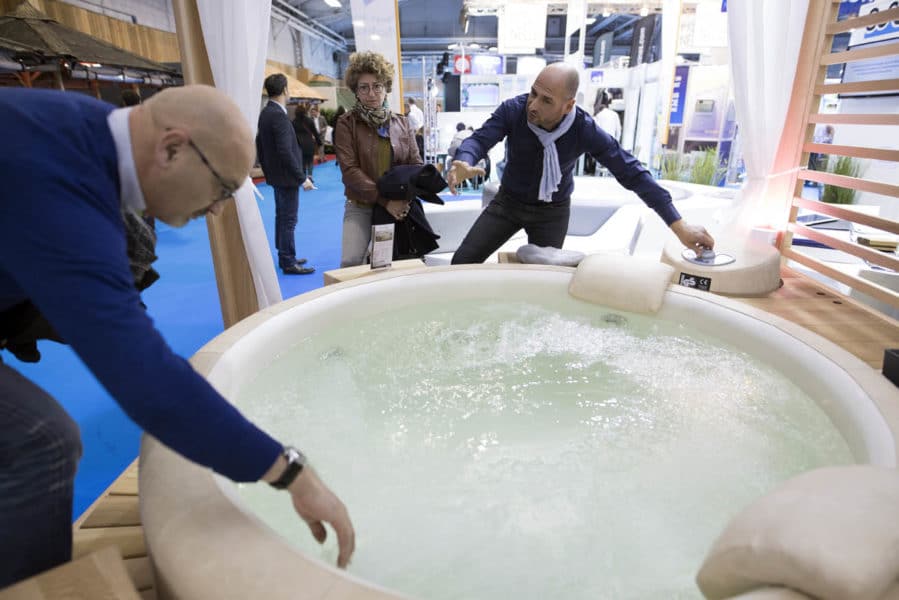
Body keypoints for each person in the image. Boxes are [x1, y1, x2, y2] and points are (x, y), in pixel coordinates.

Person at [0, 84, 354, 588]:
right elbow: (147, 381)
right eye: (221, 188)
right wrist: (291, 473)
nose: (217, 210)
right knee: (42, 441)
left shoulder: (80, 129)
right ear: (172, 148)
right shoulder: (62, 188)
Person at [446, 62, 714, 264]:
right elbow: (479, 140)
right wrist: (464, 159)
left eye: (546, 100)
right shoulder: (514, 110)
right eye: (533, 93)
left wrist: (679, 226)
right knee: (461, 263)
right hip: (508, 204)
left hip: (553, 212)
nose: (533, 105)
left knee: (546, 283)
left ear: (568, 105)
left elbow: (631, 171)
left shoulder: (583, 129)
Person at [333, 51, 423, 267]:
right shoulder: (347, 124)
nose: (371, 93)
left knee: (397, 264)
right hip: (361, 205)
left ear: (386, 88)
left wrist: (405, 200)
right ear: (356, 90)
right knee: (351, 262)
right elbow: (350, 171)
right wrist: (385, 201)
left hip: (399, 204)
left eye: (377, 86)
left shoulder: (402, 123)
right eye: (364, 87)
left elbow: (416, 166)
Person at [257, 73, 316, 275]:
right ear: (284, 90)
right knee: (288, 220)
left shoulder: (266, 113)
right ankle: (288, 260)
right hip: (287, 178)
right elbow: (285, 150)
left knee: (282, 218)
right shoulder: (278, 116)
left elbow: (260, 146)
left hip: (276, 176)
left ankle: (285, 255)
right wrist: (302, 178)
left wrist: (268, 171)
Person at [292, 105, 323, 178]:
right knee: (310, 160)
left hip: (299, 144)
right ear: (305, 112)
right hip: (309, 143)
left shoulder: (293, 122)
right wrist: (319, 142)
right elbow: (315, 132)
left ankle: (303, 176)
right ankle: (310, 176)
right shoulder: (309, 120)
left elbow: (292, 135)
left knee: (302, 161)